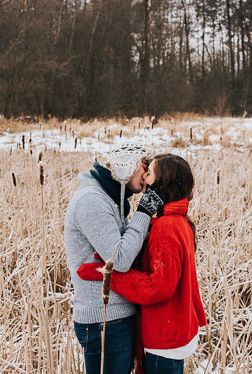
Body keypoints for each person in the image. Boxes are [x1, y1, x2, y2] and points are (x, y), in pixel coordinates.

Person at [77, 153, 207, 374]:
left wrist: (109, 275)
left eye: (149, 172)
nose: (143, 176)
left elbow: (159, 287)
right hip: (170, 332)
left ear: (162, 183)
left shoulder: (166, 227)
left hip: (165, 337)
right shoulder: (175, 221)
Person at [64, 144, 170, 374]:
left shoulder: (111, 200)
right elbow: (119, 259)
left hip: (115, 317)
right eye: (145, 167)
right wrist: (144, 212)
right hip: (104, 320)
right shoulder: (92, 201)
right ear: (127, 166)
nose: (147, 175)